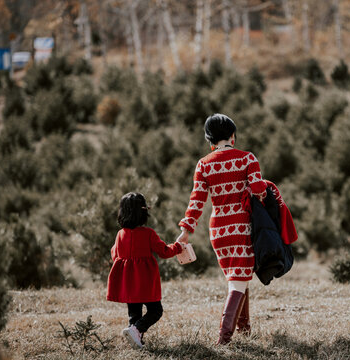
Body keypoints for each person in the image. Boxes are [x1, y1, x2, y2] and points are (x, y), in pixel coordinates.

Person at [177, 113, 268, 345]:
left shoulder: (203, 164)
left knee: (239, 276)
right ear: (233, 136)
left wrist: (186, 230)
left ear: (210, 141)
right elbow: (259, 189)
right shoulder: (247, 159)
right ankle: (223, 339)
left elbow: (196, 201)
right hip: (241, 228)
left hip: (219, 230)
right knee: (237, 281)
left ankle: (245, 330)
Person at [107, 192, 184, 349]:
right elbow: (164, 252)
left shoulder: (120, 234)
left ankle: (135, 337)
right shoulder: (148, 233)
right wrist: (178, 246)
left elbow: (114, 254)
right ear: (143, 212)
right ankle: (136, 331)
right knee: (155, 311)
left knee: (134, 314)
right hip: (145, 282)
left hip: (128, 282)